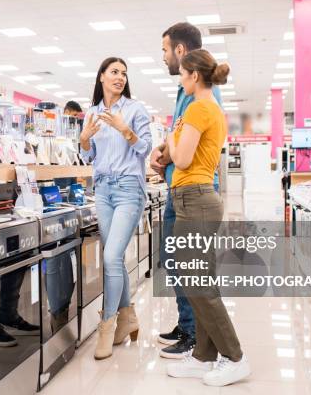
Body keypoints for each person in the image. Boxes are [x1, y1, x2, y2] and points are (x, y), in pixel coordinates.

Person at [165, 48, 250, 386]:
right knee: (198, 282)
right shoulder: (209, 108)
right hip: (196, 198)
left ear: (194, 75)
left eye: (182, 74)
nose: (180, 79)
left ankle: (235, 356)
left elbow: (182, 159)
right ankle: (204, 355)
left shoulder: (200, 108)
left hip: (195, 199)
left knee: (198, 284)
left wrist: (171, 138)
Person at [150, 22, 223, 359]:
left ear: (181, 52)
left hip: (193, 191)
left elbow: (183, 151)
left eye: (166, 50)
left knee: (191, 269)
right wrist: (164, 153)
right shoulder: (188, 93)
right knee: (178, 262)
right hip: (182, 188)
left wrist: (166, 151)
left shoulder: (200, 98)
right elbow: (177, 139)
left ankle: (198, 337)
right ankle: (189, 327)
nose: (164, 57)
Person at [79, 57, 152, 360]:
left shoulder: (135, 110)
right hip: (103, 191)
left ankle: (106, 327)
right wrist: (83, 139)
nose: (120, 77)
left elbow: (145, 148)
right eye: (114, 72)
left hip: (128, 190)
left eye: (123, 73)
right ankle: (129, 318)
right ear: (101, 78)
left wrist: (126, 130)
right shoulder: (92, 114)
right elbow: (88, 157)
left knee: (110, 257)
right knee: (115, 258)